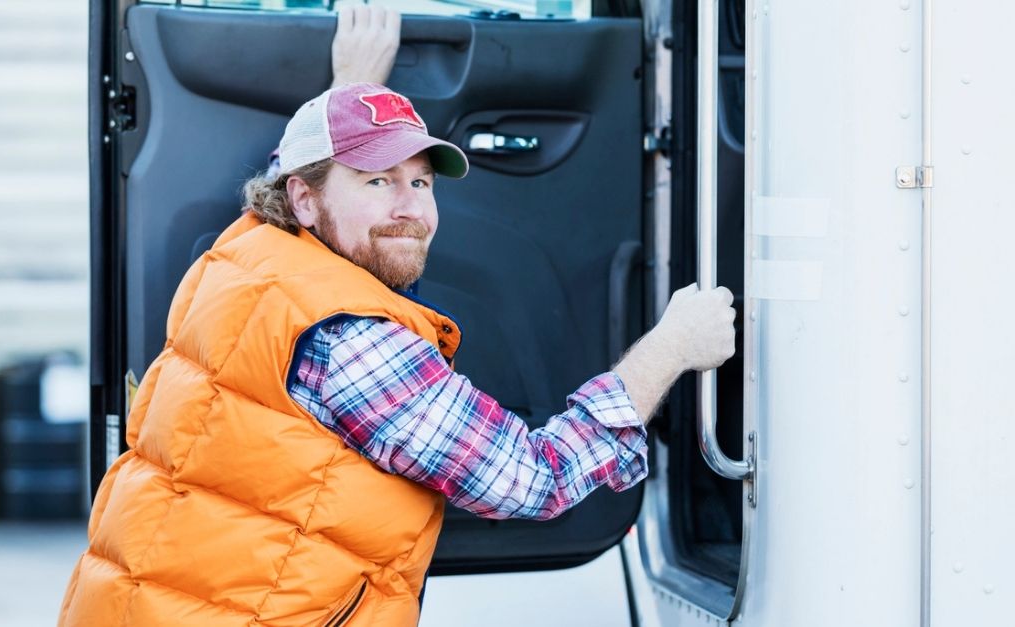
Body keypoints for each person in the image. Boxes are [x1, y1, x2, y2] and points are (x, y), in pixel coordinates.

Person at [58, 8, 736, 627]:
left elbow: (289, 172)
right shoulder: (351, 341)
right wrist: (673, 345)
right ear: (305, 198)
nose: (409, 207)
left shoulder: (244, 255)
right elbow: (535, 479)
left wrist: (350, 90)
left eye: (420, 181)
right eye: (376, 180)